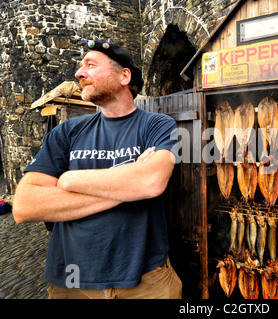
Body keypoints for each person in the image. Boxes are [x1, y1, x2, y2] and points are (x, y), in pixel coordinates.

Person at [13, 39, 182, 299]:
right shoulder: (66, 132)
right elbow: (25, 206)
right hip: (73, 281)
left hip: (147, 281)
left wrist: (69, 180)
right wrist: (128, 185)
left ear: (124, 76)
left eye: (90, 65)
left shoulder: (157, 125)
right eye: (81, 67)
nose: (79, 73)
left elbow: (151, 183)